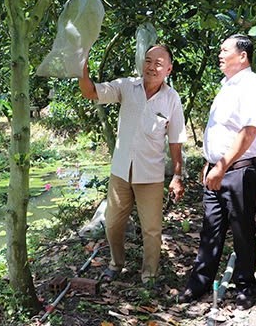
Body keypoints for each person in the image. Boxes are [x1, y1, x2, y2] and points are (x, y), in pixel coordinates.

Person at [78, 44, 186, 285]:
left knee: (151, 230)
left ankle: (149, 275)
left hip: (151, 175)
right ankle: (116, 263)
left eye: (159, 63)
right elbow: (90, 91)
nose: (152, 67)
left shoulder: (171, 99)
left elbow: (176, 139)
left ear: (168, 69)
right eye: (148, 61)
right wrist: (82, 64)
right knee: (113, 224)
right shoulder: (126, 86)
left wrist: (177, 175)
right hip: (120, 172)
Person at [179, 34, 256, 309]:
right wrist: (210, 164)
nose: (219, 54)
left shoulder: (253, 85)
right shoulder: (226, 86)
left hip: (238, 171)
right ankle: (200, 282)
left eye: (224, 50)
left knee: (242, 229)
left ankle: (245, 286)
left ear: (242, 56)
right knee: (211, 228)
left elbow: (250, 131)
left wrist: (221, 166)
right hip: (217, 170)